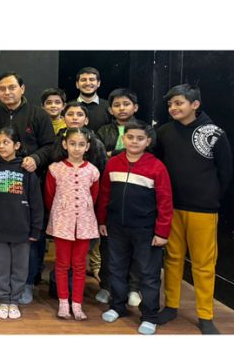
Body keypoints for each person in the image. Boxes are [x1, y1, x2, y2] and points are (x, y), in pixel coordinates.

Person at [155, 84, 233, 334]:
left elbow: (226, 172)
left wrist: (209, 196)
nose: (174, 108)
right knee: (173, 259)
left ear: (195, 104)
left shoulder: (215, 133)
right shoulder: (164, 132)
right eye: (170, 104)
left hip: (203, 209)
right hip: (172, 208)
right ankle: (170, 306)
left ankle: (205, 315)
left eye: (179, 103)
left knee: (203, 264)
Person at [0, 72, 55, 302]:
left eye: (11, 87)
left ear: (22, 88)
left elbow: (50, 145)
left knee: (28, 237)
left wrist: (36, 159)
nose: (7, 92)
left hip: (27, 180)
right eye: (2, 88)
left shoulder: (38, 114)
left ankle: (27, 282)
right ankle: (1, 284)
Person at [97, 120, 173, 334]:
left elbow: (165, 202)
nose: (134, 141)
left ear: (148, 141)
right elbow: (104, 194)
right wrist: (102, 220)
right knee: (116, 269)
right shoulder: (113, 163)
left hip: (146, 231)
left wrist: (162, 232)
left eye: (140, 138)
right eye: (130, 137)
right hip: (116, 228)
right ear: (124, 138)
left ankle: (149, 316)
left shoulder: (157, 167)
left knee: (148, 274)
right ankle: (117, 306)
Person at [95, 89, 152, 305]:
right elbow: (100, 156)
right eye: (116, 105)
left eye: (126, 104)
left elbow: (146, 156)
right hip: (113, 191)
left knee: (136, 249)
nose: (121, 108)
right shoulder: (103, 130)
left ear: (135, 107)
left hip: (139, 194)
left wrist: (114, 154)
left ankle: (134, 288)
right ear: (110, 109)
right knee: (109, 246)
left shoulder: (144, 128)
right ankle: (107, 285)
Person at [0, 127, 43, 320]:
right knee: (0, 266)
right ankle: (4, 299)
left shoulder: (27, 171)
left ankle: (14, 299)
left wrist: (35, 228)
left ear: (17, 145)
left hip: (21, 229)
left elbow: (36, 202)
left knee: (20, 267)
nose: (1, 146)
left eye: (5, 142)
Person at [45, 127, 100, 320]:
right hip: (62, 223)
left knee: (79, 265)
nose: (76, 148)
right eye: (73, 144)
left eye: (81, 144)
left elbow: (94, 196)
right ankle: (63, 303)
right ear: (65, 144)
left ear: (88, 146)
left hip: (84, 223)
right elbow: (50, 196)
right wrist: (63, 211)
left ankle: (77, 304)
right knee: (61, 265)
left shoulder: (93, 171)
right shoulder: (55, 169)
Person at [75, 67, 111, 132]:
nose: (88, 83)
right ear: (77, 84)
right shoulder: (68, 107)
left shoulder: (109, 107)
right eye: (83, 80)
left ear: (98, 83)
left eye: (92, 79)